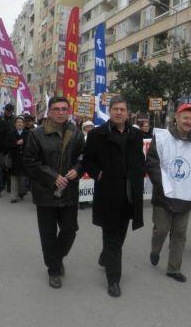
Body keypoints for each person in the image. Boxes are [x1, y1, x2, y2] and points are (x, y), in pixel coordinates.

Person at [83, 96, 145, 298]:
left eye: (123, 109)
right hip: (108, 193)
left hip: (128, 195)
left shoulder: (136, 135)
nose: (119, 112)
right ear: (109, 111)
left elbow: (140, 161)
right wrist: (98, 174)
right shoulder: (97, 134)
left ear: (128, 113)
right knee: (112, 236)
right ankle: (114, 280)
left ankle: (105, 257)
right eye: (115, 109)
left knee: (120, 234)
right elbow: (88, 161)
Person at [24, 96, 85, 289]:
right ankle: (53, 271)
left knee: (70, 230)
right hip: (45, 194)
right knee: (48, 234)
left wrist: (78, 169)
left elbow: (84, 157)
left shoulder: (76, 133)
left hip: (69, 192)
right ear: (49, 111)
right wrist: (52, 177)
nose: (60, 112)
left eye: (64, 109)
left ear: (69, 111)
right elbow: (30, 162)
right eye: (56, 109)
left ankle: (55, 259)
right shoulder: (36, 134)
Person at [147, 103, 191, 283]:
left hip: (185, 197)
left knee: (180, 233)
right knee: (162, 230)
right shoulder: (162, 137)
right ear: (177, 118)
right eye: (185, 117)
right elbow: (152, 162)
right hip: (163, 195)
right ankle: (155, 250)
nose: (188, 121)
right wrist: (162, 185)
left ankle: (173, 269)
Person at [5, 116, 28, 203]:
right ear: (15, 124)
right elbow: (6, 145)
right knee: (14, 178)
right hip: (13, 159)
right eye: (18, 122)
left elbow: (31, 146)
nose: (19, 123)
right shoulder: (11, 133)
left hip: (24, 159)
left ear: (24, 124)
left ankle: (21, 192)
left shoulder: (28, 133)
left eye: (21, 122)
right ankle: (14, 196)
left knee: (22, 178)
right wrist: (16, 143)